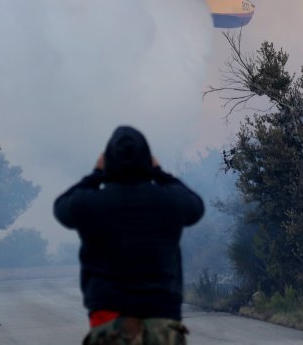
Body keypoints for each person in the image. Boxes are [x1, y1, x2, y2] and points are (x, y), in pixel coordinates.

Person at [54, 125, 204, 345]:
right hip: (161, 319)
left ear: (107, 160)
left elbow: (62, 207)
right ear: (147, 161)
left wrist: (96, 174)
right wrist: (159, 172)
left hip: (108, 321)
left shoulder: (91, 203)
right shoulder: (168, 201)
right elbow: (195, 205)